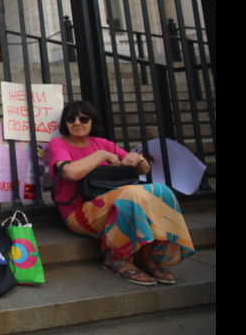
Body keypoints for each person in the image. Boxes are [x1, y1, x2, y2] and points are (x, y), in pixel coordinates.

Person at [46, 101, 195, 286]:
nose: (77, 123)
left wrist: (138, 158)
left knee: (161, 191)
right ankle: (116, 258)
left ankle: (145, 256)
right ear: (65, 123)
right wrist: (101, 155)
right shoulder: (58, 144)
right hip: (79, 214)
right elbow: (70, 173)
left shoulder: (102, 143)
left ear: (92, 121)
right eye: (71, 119)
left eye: (83, 118)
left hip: (113, 205)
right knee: (130, 194)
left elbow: (143, 169)